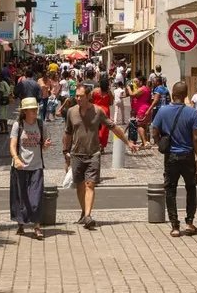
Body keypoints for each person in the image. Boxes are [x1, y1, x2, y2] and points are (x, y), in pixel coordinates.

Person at [63, 84, 137, 229]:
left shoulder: (98, 111)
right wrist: (65, 151)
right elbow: (67, 132)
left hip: (93, 154)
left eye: (81, 96)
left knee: (90, 184)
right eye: (76, 96)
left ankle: (88, 216)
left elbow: (113, 127)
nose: (78, 99)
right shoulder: (71, 112)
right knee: (79, 186)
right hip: (77, 153)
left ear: (88, 96)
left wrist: (127, 142)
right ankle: (84, 212)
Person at [151, 81, 197, 237]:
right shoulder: (192, 113)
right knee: (191, 189)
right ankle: (189, 223)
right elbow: (196, 138)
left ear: (172, 94)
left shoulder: (162, 111)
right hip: (187, 156)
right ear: (186, 95)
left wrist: (160, 143)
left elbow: (154, 132)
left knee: (170, 190)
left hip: (171, 157)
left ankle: (175, 226)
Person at [9, 97, 51, 239]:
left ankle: (37, 225)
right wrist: (16, 158)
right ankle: (21, 224)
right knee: (20, 197)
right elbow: (13, 145)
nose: (35, 111)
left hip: (36, 166)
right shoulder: (18, 125)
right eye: (32, 109)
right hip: (20, 166)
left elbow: (44, 145)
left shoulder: (41, 124)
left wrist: (45, 145)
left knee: (36, 197)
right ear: (25, 111)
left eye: (36, 109)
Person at [126, 75, 152, 149]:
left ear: (141, 82)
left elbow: (132, 95)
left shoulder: (142, 89)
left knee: (139, 126)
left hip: (142, 109)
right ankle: (145, 142)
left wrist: (128, 88)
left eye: (137, 81)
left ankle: (145, 142)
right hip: (145, 108)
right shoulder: (146, 88)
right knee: (144, 126)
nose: (136, 83)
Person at [90, 76, 114, 153]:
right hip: (105, 111)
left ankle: (95, 145)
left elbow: (90, 99)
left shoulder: (95, 91)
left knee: (95, 128)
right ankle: (102, 146)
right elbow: (111, 102)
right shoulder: (109, 92)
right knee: (104, 129)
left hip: (95, 110)